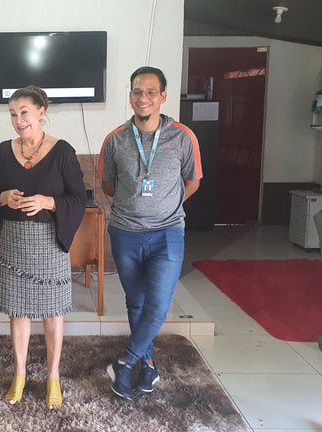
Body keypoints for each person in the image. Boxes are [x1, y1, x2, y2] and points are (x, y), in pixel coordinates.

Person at [99, 66, 202, 400]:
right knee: (136, 302)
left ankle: (125, 363)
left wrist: (166, 205)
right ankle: (148, 365)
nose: (142, 98)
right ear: (130, 96)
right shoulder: (115, 139)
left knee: (157, 306)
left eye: (150, 92)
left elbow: (193, 181)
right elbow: (108, 185)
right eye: (137, 92)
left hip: (167, 234)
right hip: (125, 233)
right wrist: (136, 204)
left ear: (163, 97)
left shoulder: (182, 137)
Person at [0, 85, 86, 408]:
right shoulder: (2, 152)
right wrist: (3, 197)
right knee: (18, 311)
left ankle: (53, 377)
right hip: (13, 242)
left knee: (53, 313)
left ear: (42, 112)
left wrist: (48, 201)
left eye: (24, 112)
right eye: (13, 114)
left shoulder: (62, 151)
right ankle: (20, 374)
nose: (18, 120)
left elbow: (79, 198)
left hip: (50, 243)